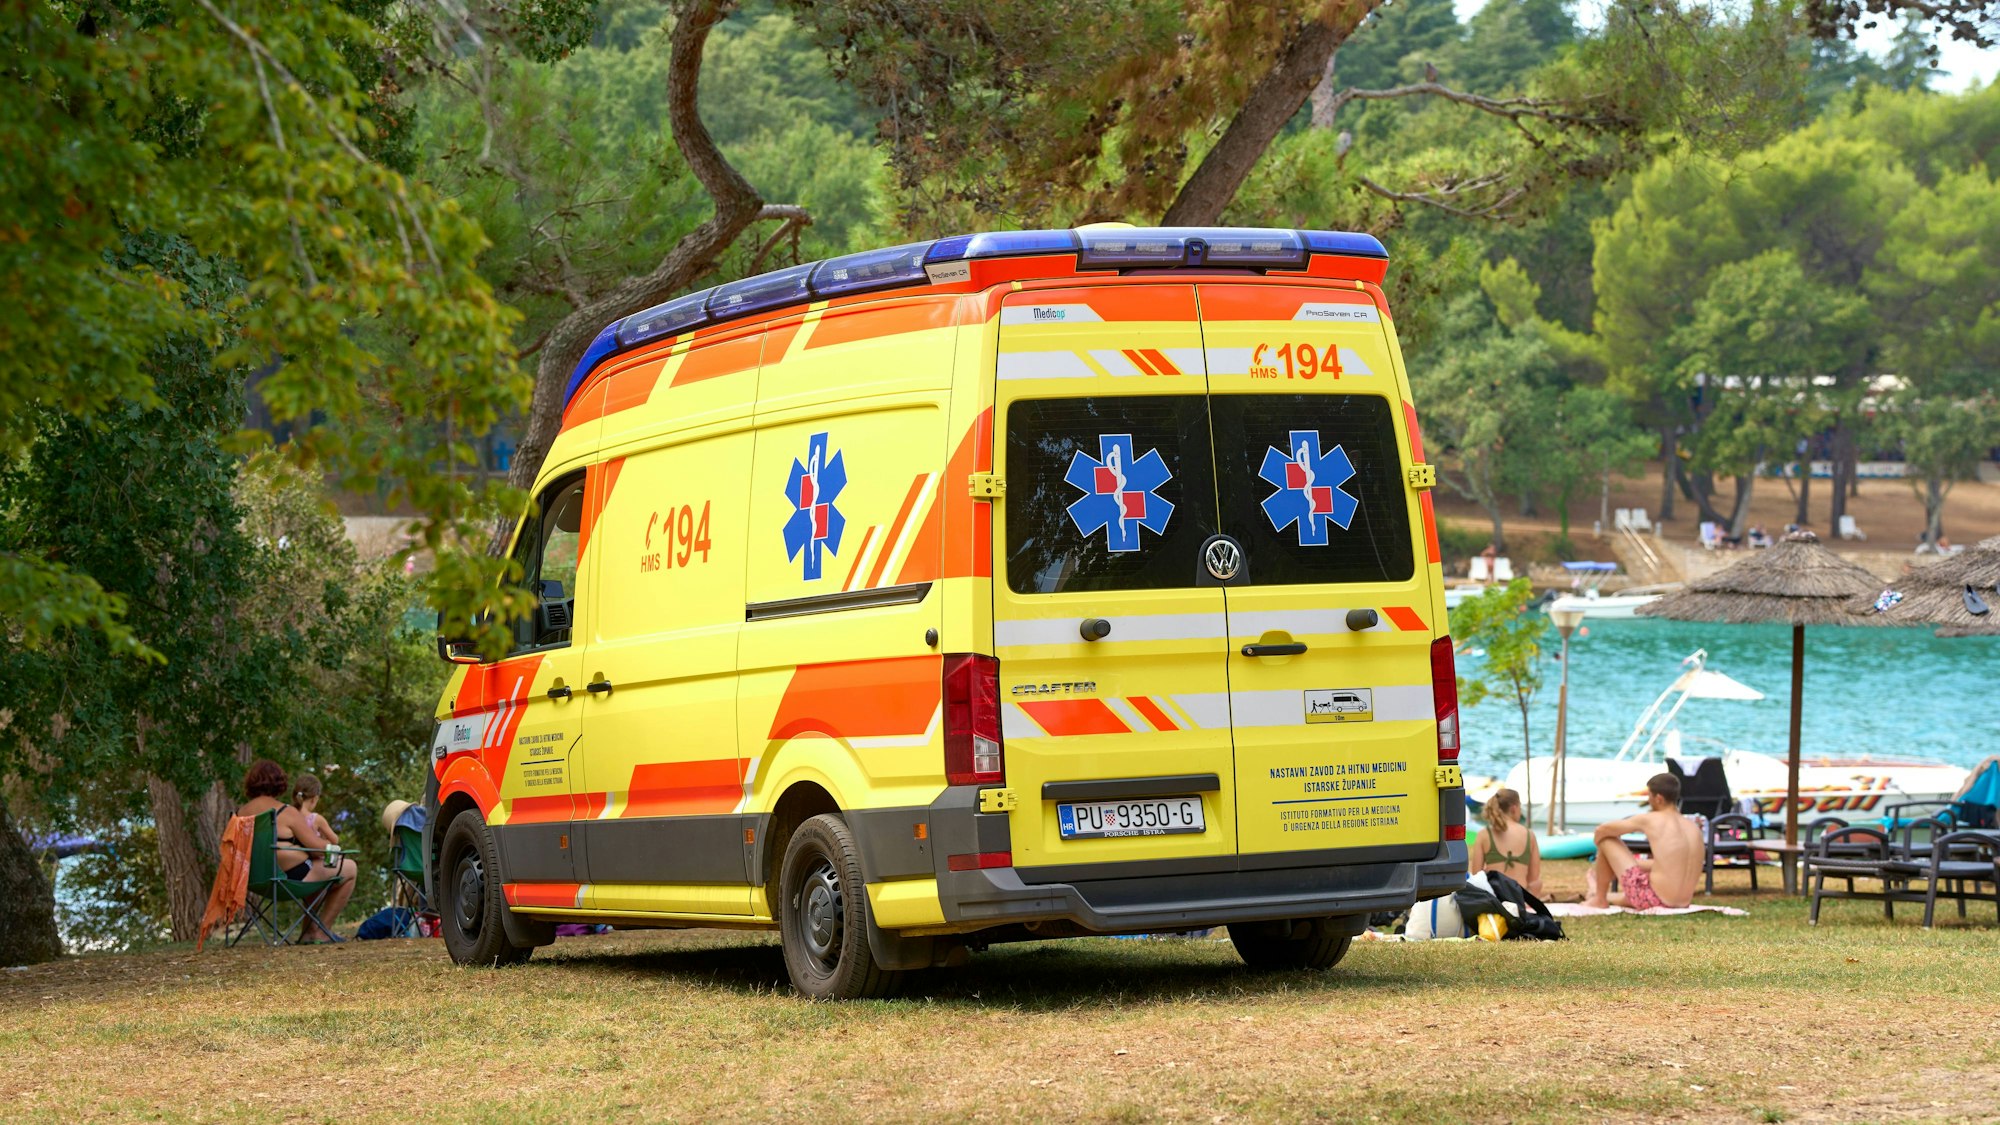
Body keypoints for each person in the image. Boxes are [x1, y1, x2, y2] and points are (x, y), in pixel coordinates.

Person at [237, 759, 357, 942]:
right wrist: (327, 844)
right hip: (288, 879)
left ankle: (308, 934)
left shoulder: (240, 814)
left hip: (253, 880)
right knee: (350, 868)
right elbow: (318, 849)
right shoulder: (285, 811)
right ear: (279, 783)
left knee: (317, 873)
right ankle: (321, 932)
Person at [1585, 773, 1704, 910]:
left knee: (1607, 839)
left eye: (1649, 796)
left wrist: (1602, 855)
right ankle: (1596, 893)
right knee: (1630, 892)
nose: (1648, 800)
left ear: (1658, 798)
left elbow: (1602, 830)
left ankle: (1599, 898)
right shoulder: (1692, 827)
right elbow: (1669, 864)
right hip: (1681, 903)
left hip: (1652, 898)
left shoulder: (1651, 819)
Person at [1468, 787, 1542, 897]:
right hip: (1520, 898)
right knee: (1538, 883)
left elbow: (1476, 875)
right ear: (1514, 808)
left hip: (1495, 897)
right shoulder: (1528, 834)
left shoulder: (1484, 834)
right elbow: (1533, 878)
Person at [293, 773, 339, 848]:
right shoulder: (316, 819)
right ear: (315, 799)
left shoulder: (288, 814)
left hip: (293, 855)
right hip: (313, 857)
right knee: (349, 860)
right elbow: (335, 840)